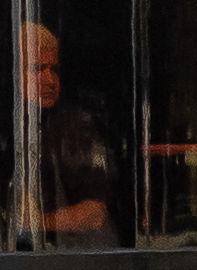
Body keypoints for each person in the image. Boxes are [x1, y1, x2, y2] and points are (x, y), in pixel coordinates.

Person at [15, 18, 121, 248]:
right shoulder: (5, 130)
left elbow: (94, 213)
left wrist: (32, 223)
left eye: (53, 69)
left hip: (82, 264)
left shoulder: (79, 127)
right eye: (36, 69)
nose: (50, 80)